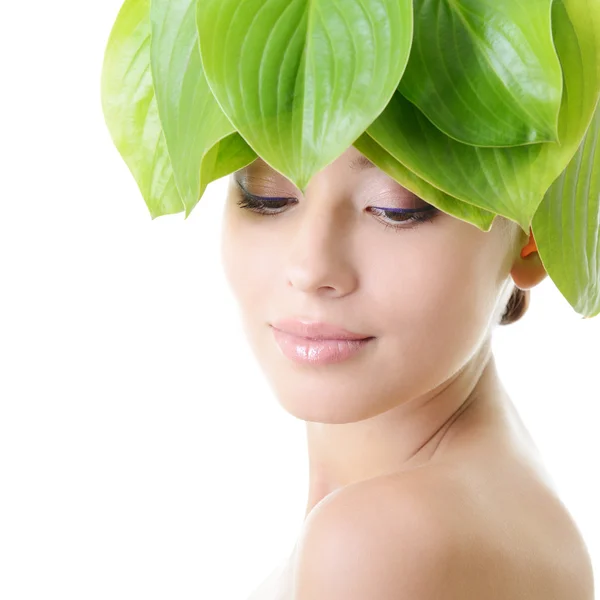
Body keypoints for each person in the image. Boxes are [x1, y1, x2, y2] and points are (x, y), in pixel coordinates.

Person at [221, 145, 594, 599]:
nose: (310, 267)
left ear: (533, 230)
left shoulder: (383, 544)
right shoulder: (482, 498)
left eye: (395, 207)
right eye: (268, 195)